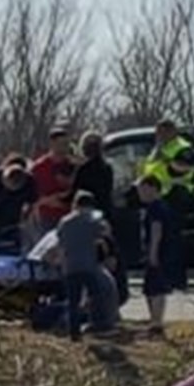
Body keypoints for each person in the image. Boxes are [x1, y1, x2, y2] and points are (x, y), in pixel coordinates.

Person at [70, 131, 127, 306]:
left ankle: (90, 300)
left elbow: (75, 193)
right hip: (105, 216)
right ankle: (115, 296)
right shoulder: (107, 168)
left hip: (86, 217)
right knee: (108, 255)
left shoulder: (83, 170)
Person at [54, 191, 119, 340]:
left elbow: (61, 245)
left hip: (71, 265)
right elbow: (106, 234)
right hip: (89, 265)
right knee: (97, 296)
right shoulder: (93, 220)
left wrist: (61, 263)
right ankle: (99, 325)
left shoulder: (65, 221)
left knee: (73, 301)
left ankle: (74, 333)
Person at [136, 175, 185, 338]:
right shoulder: (163, 206)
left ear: (152, 188)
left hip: (159, 253)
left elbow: (157, 230)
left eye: (142, 189)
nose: (139, 193)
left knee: (156, 289)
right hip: (164, 252)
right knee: (151, 289)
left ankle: (156, 324)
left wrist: (153, 253)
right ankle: (154, 322)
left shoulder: (155, 208)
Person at [29, 128, 78, 231]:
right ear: (52, 144)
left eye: (66, 143)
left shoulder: (74, 166)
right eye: (61, 143)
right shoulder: (38, 168)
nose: (64, 147)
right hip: (48, 219)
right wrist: (51, 200)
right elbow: (32, 198)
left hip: (71, 217)